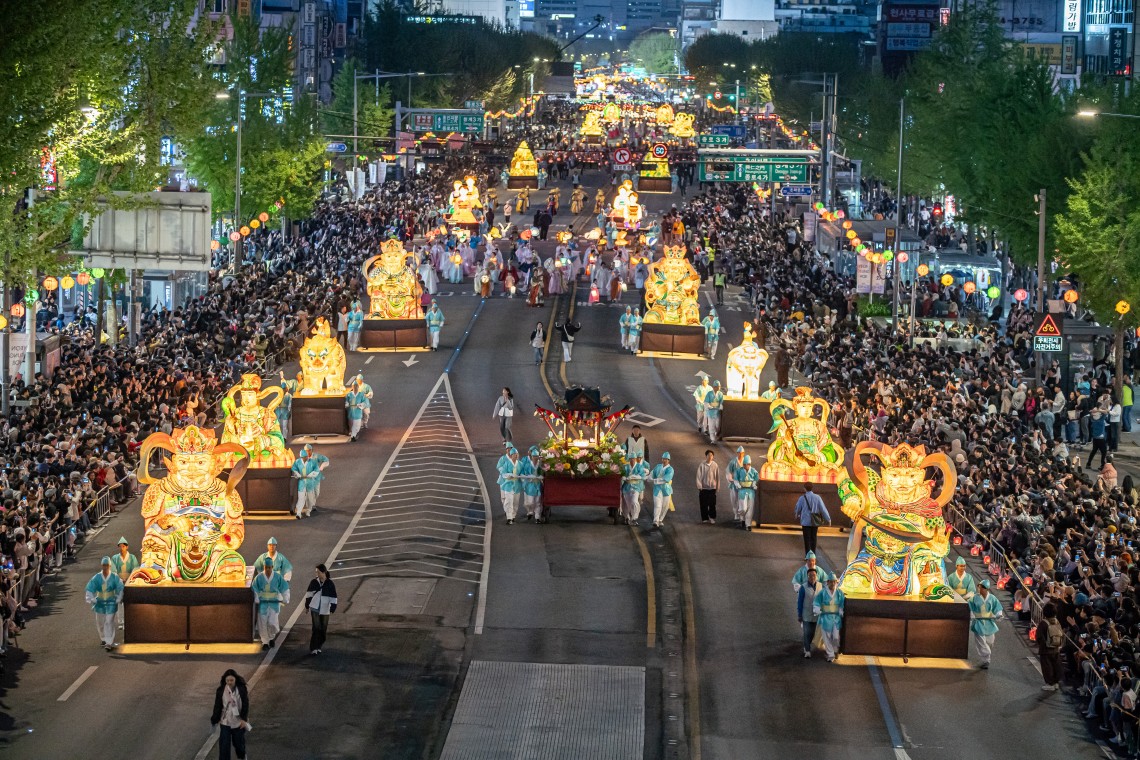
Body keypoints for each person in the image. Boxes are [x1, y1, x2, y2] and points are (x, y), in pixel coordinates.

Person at [85, 556, 123, 650]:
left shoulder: (114, 577)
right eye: (103, 565)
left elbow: (120, 587)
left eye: (107, 565)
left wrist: (119, 598)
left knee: (109, 622)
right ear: (101, 566)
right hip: (100, 602)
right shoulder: (97, 577)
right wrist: (92, 599)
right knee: (100, 622)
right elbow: (90, 588)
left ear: (110, 566)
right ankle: (103, 638)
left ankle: (109, 642)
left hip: (111, 602)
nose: (105, 567)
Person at [211, 669, 251, 760]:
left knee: (239, 744)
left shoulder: (241, 689)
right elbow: (217, 705)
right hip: (225, 722)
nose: (229, 682)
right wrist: (214, 719)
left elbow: (245, 704)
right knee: (224, 746)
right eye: (227, 680)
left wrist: (244, 719)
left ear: (235, 679)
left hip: (238, 722)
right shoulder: (221, 690)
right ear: (225, 680)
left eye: (231, 680)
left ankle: (242, 756)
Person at [251, 560, 290, 650]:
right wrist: (256, 598)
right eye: (266, 567)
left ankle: (271, 637)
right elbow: (254, 588)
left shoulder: (277, 577)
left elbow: (284, 587)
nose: (267, 569)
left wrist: (285, 598)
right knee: (262, 623)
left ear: (272, 567)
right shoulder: (259, 577)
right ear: (264, 567)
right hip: (262, 604)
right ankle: (265, 641)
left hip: (274, 604)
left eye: (269, 567)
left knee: (272, 623)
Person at [304, 564, 338, 655]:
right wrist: (307, 606)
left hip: (325, 609)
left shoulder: (330, 583)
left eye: (318, 572)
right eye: (316, 572)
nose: (317, 574)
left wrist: (333, 607)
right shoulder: (314, 582)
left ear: (323, 572)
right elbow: (309, 595)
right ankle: (313, 648)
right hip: (315, 608)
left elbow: (333, 596)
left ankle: (319, 645)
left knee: (323, 628)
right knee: (316, 627)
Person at [968, 579, 1003, 669]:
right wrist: (972, 615)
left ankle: (986, 657)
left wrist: (999, 614)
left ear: (987, 589)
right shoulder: (974, 598)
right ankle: (986, 659)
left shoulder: (992, 598)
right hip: (978, 622)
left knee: (990, 641)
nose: (981, 589)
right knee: (981, 642)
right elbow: (970, 607)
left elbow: (998, 608)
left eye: (983, 588)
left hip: (989, 622)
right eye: (980, 587)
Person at [813, 571, 845, 662]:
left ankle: (835, 650)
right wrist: (817, 609)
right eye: (831, 581)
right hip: (825, 618)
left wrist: (841, 610)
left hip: (836, 618)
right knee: (826, 637)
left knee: (835, 637)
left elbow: (841, 603)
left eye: (834, 582)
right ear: (828, 582)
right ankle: (830, 654)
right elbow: (817, 602)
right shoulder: (822, 593)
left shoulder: (839, 592)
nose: (833, 583)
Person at [291, 444, 329, 519]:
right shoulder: (298, 461)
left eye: (309, 450)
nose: (308, 452)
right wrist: (297, 474)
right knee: (301, 497)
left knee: (315, 494)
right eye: (306, 451)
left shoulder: (315, 458)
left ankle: (310, 507)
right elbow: (294, 468)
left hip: (313, 480)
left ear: (312, 450)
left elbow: (325, 461)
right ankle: (299, 512)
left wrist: (321, 467)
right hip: (302, 482)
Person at [794, 483, 831, 555]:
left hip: (805, 521)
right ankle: (813, 554)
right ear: (812, 488)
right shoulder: (817, 497)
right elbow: (823, 509)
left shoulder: (802, 498)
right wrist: (828, 519)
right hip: (815, 521)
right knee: (814, 538)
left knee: (806, 539)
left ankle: (808, 556)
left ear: (804, 488)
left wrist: (796, 514)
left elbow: (798, 508)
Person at [109, 537, 138, 628]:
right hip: (119, 582)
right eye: (120, 546)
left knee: (129, 602)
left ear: (127, 547)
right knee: (119, 602)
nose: (122, 548)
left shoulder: (132, 558)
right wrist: (119, 580)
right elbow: (113, 570)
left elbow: (135, 569)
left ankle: (129, 620)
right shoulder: (115, 558)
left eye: (123, 546)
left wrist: (129, 579)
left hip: (129, 582)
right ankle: (121, 622)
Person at [1036, 602, 1064, 691]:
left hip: (1046, 649)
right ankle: (1056, 682)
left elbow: (1039, 636)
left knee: (1047, 666)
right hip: (1056, 647)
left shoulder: (1043, 623)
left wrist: (1042, 644)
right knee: (1056, 665)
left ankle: (1050, 683)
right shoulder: (1057, 621)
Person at [797, 567, 823, 659]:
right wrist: (799, 615)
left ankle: (807, 645)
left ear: (816, 576)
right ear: (807, 577)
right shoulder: (803, 587)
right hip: (806, 614)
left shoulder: (820, 586)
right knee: (806, 632)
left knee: (812, 633)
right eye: (810, 575)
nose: (812, 577)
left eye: (814, 575)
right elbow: (799, 602)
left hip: (816, 615)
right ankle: (807, 650)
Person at [497, 446, 523, 524]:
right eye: (515, 454)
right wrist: (509, 475)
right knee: (508, 501)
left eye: (517, 454)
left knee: (515, 501)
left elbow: (523, 472)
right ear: (511, 455)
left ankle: (513, 515)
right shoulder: (507, 463)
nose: (516, 455)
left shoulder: (520, 464)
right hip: (508, 485)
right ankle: (509, 518)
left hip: (517, 485)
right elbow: (503, 473)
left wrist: (522, 476)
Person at [622, 451, 649, 524]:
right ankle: (627, 517)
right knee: (627, 503)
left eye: (633, 459)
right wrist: (624, 477)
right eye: (630, 459)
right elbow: (622, 474)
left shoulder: (639, 467)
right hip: (627, 487)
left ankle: (635, 517)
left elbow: (642, 475)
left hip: (636, 487)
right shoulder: (626, 467)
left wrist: (634, 476)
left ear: (635, 459)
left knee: (634, 501)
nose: (632, 460)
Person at [649, 452, 675, 528]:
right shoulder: (658, 466)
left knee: (665, 506)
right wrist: (650, 478)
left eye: (665, 459)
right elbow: (652, 473)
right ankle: (655, 520)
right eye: (663, 459)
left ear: (668, 460)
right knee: (658, 505)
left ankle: (660, 519)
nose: (664, 460)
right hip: (657, 489)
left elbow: (666, 479)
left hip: (666, 490)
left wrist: (655, 480)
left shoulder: (670, 469)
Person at [520, 446, 544, 522]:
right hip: (529, 486)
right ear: (531, 456)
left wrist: (541, 477)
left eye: (537, 456)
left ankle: (537, 517)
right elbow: (522, 474)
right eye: (534, 456)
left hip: (538, 486)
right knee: (530, 502)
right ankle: (530, 511)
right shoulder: (527, 465)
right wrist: (528, 477)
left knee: (538, 502)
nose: (535, 458)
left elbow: (544, 474)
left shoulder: (540, 466)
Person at [735, 455, 759, 530]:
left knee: (750, 508)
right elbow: (736, 479)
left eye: (747, 464)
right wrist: (738, 485)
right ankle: (742, 517)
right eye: (744, 464)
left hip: (751, 491)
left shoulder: (753, 471)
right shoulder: (739, 471)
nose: (745, 466)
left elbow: (756, 478)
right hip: (742, 491)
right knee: (743, 508)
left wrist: (754, 484)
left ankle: (748, 525)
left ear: (750, 464)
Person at [695, 449, 719, 524]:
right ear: (706, 456)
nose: (710, 457)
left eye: (711, 455)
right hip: (704, 488)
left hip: (712, 488)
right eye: (708, 455)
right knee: (703, 504)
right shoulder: (702, 465)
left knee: (712, 504)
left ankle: (712, 517)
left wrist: (717, 487)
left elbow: (717, 477)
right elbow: (698, 476)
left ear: (713, 457)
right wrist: (699, 486)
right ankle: (704, 518)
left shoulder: (715, 465)